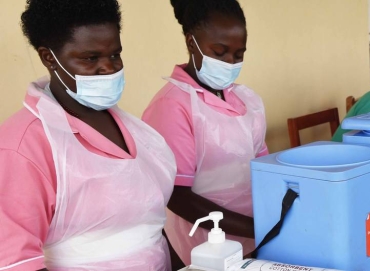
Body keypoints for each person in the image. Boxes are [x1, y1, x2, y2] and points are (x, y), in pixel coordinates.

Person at [0, 0, 177, 270]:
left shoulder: (133, 130)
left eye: (115, 54)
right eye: (90, 58)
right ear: (49, 57)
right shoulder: (23, 147)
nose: (109, 68)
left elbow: (149, 223)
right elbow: (16, 261)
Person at [142, 0, 268, 267]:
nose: (230, 63)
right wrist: (255, 227)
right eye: (220, 52)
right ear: (192, 43)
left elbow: (265, 167)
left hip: (254, 235)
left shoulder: (246, 100)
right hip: (203, 244)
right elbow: (177, 196)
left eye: (238, 54)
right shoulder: (172, 106)